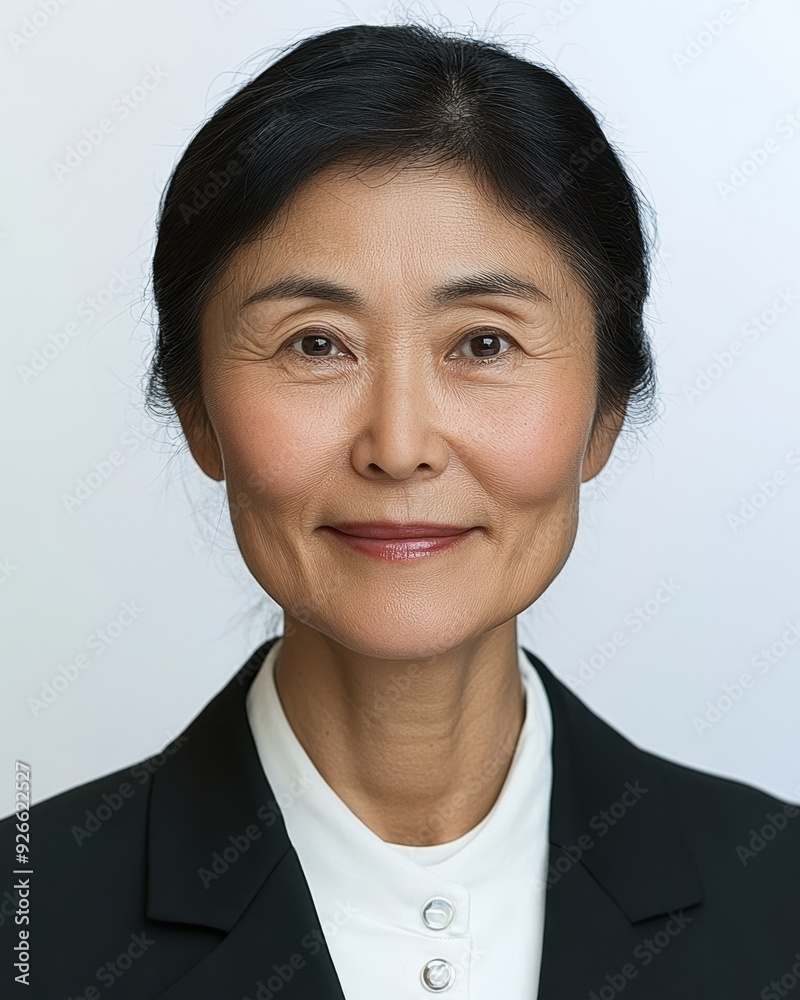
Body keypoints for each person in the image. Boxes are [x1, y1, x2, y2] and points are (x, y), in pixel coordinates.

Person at [2, 22, 799, 1000]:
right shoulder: (26, 927)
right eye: (314, 344)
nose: (398, 443)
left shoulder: (778, 901)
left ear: (603, 412)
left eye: (484, 344)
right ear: (196, 409)